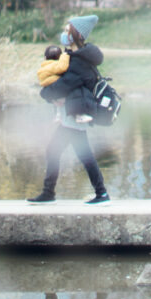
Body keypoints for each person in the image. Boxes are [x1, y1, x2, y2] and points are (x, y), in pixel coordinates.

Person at [28, 14, 110, 204]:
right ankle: (51, 193)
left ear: (77, 34)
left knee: (78, 154)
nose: (64, 34)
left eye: (67, 30)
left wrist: (44, 93)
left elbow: (62, 87)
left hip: (75, 115)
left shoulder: (80, 62)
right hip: (72, 114)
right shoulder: (74, 57)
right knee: (58, 151)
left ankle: (100, 194)